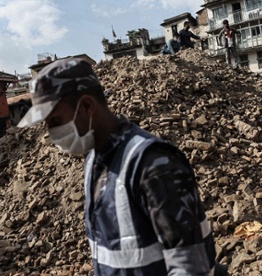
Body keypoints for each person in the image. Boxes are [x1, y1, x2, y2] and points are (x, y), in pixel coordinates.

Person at [17, 58, 219, 275]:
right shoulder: (93, 163)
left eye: (55, 121)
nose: (51, 133)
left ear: (87, 106)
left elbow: (190, 268)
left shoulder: (152, 164)